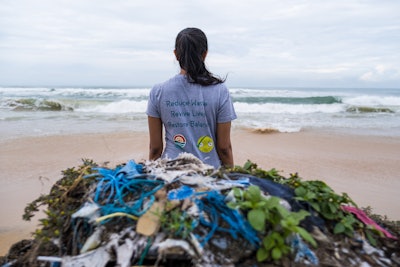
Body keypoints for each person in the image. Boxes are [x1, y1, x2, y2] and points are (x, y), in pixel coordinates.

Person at [146, 27, 237, 169]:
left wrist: (150, 174)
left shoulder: (158, 91)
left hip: (171, 170)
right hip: (209, 171)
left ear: (176, 55)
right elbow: (224, 148)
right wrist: (232, 175)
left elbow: (155, 148)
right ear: (205, 54)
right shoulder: (220, 91)